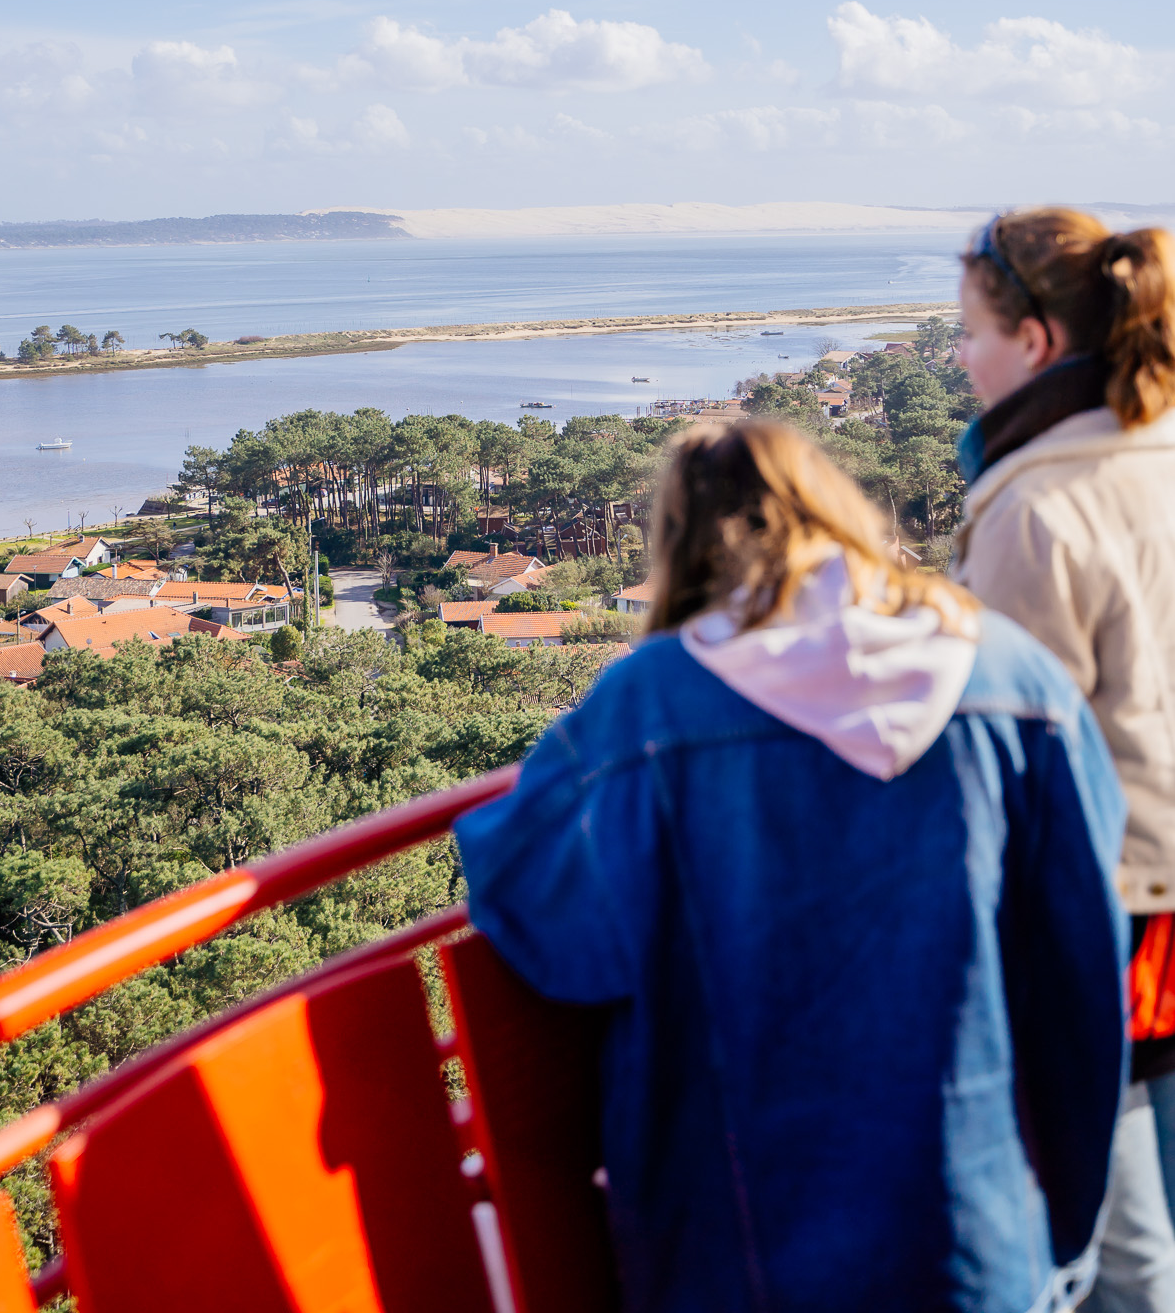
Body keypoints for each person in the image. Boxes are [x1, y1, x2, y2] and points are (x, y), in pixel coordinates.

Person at [456, 417, 1128, 1313]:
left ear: (683, 542)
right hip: (981, 1219)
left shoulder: (645, 706)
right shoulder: (1015, 680)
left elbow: (547, 927)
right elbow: (1085, 953)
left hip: (734, 1232)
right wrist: (1067, 1219)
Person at [953, 209, 1175, 1309]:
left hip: (1122, 909)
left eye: (969, 332)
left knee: (1116, 1248)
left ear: (1035, 343)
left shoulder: (1034, 504)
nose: (959, 356)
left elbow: (1010, 748)